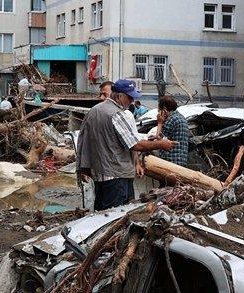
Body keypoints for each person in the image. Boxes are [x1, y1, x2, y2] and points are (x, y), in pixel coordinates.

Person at [76, 78, 174, 211]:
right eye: (130, 97)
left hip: (100, 175)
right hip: (116, 176)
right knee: (115, 217)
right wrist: (161, 144)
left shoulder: (94, 110)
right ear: (119, 96)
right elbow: (135, 145)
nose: (132, 101)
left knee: (101, 215)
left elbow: (83, 141)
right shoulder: (117, 114)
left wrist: (84, 167)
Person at [153, 95, 190, 168]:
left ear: (164, 109)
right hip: (181, 161)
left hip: (170, 161)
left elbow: (159, 139)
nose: (158, 112)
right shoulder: (181, 118)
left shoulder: (171, 119)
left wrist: (160, 122)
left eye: (159, 110)